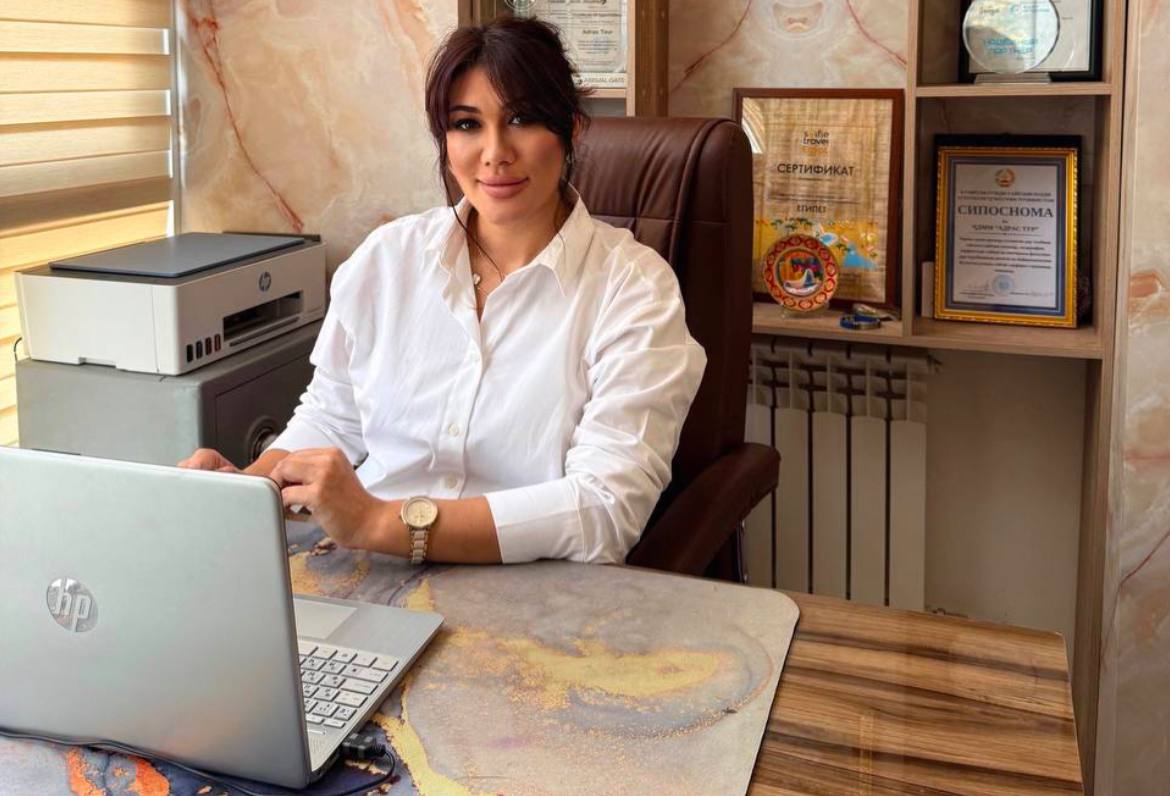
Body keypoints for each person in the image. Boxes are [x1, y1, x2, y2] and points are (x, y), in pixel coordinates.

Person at [179, 17, 706, 565]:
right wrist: (251, 486)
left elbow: (604, 509)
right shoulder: (386, 259)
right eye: (467, 124)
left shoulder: (633, 288)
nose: (495, 152)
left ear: (570, 129)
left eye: (522, 119)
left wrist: (380, 521)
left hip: (531, 585)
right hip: (365, 567)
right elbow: (335, 417)